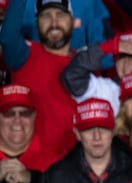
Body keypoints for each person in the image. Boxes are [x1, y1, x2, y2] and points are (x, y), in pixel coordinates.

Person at [0, 0, 77, 159]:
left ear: (73, 21)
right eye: (46, 16)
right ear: (37, 23)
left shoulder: (85, 64)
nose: (54, 22)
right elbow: (7, 38)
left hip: (69, 170)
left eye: (60, 15)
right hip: (24, 165)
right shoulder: (25, 56)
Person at [60, 30, 132, 117]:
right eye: (121, 56)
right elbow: (72, 76)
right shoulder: (105, 90)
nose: (126, 63)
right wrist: (107, 47)